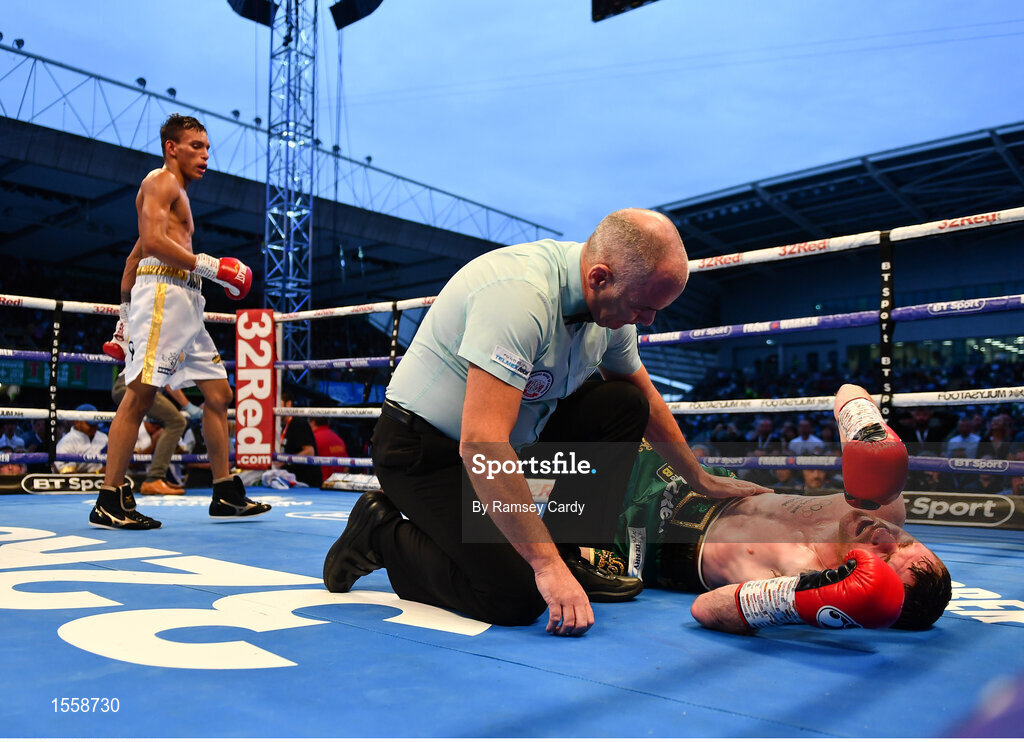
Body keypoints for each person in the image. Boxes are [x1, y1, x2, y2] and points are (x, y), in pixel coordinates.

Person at [323, 208, 770, 636]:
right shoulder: (520, 296)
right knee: (514, 596)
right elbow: (482, 445)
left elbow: (647, 399)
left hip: (517, 441)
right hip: (429, 452)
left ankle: (573, 551)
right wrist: (543, 565)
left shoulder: (612, 304)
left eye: (656, 310)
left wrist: (698, 477)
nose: (647, 321)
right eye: (642, 307)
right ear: (599, 277)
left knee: (622, 402)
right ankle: (381, 532)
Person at [590, 384, 950, 634]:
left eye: (883, 557)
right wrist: (869, 433)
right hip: (683, 479)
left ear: (864, 588)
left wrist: (806, 597)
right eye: (904, 542)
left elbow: (705, 609)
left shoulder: (800, 579)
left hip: (642, 542)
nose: (885, 536)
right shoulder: (883, 504)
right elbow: (848, 392)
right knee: (594, 402)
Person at [91, 113, 270, 530]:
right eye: (196, 147)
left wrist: (121, 316)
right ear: (172, 147)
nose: (205, 155)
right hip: (163, 296)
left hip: (186, 300)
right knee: (138, 394)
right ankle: (108, 498)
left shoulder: (177, 195)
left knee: (219, 394)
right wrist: (211, 266)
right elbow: (152, 245)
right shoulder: (160, 182)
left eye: (207, 148)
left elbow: (135, 255)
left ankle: (224, 491)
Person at [112, 374, 200, 495]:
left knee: (132, 421)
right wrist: (187, 405)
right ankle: (155, 478)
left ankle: (113, 485)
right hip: (137, 384)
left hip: (132, 383)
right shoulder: (173, 355)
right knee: (177, 421)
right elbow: (168, 381)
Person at [280, 391, 319, 487]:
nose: (275, 407)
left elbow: (310, 452)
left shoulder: (298, 423)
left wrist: (286, 460)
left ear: (288, 404)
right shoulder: (282, 426)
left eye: (277, 403)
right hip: (292, 481)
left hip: (305, 483)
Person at [55, 403, 108, 473]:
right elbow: (68, 476)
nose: (94, 427)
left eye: (96, 423)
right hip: (79, 483)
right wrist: (98, 473)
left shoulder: (104, 437)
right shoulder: (66, 442)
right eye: (90, 424)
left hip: (105, 481)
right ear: (77, 422)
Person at [311, 418, 349, 482]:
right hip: (338, 483)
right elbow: (346, 466)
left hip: (320, 484)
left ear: (313, 423)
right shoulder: (338, 439)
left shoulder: (314, 438)